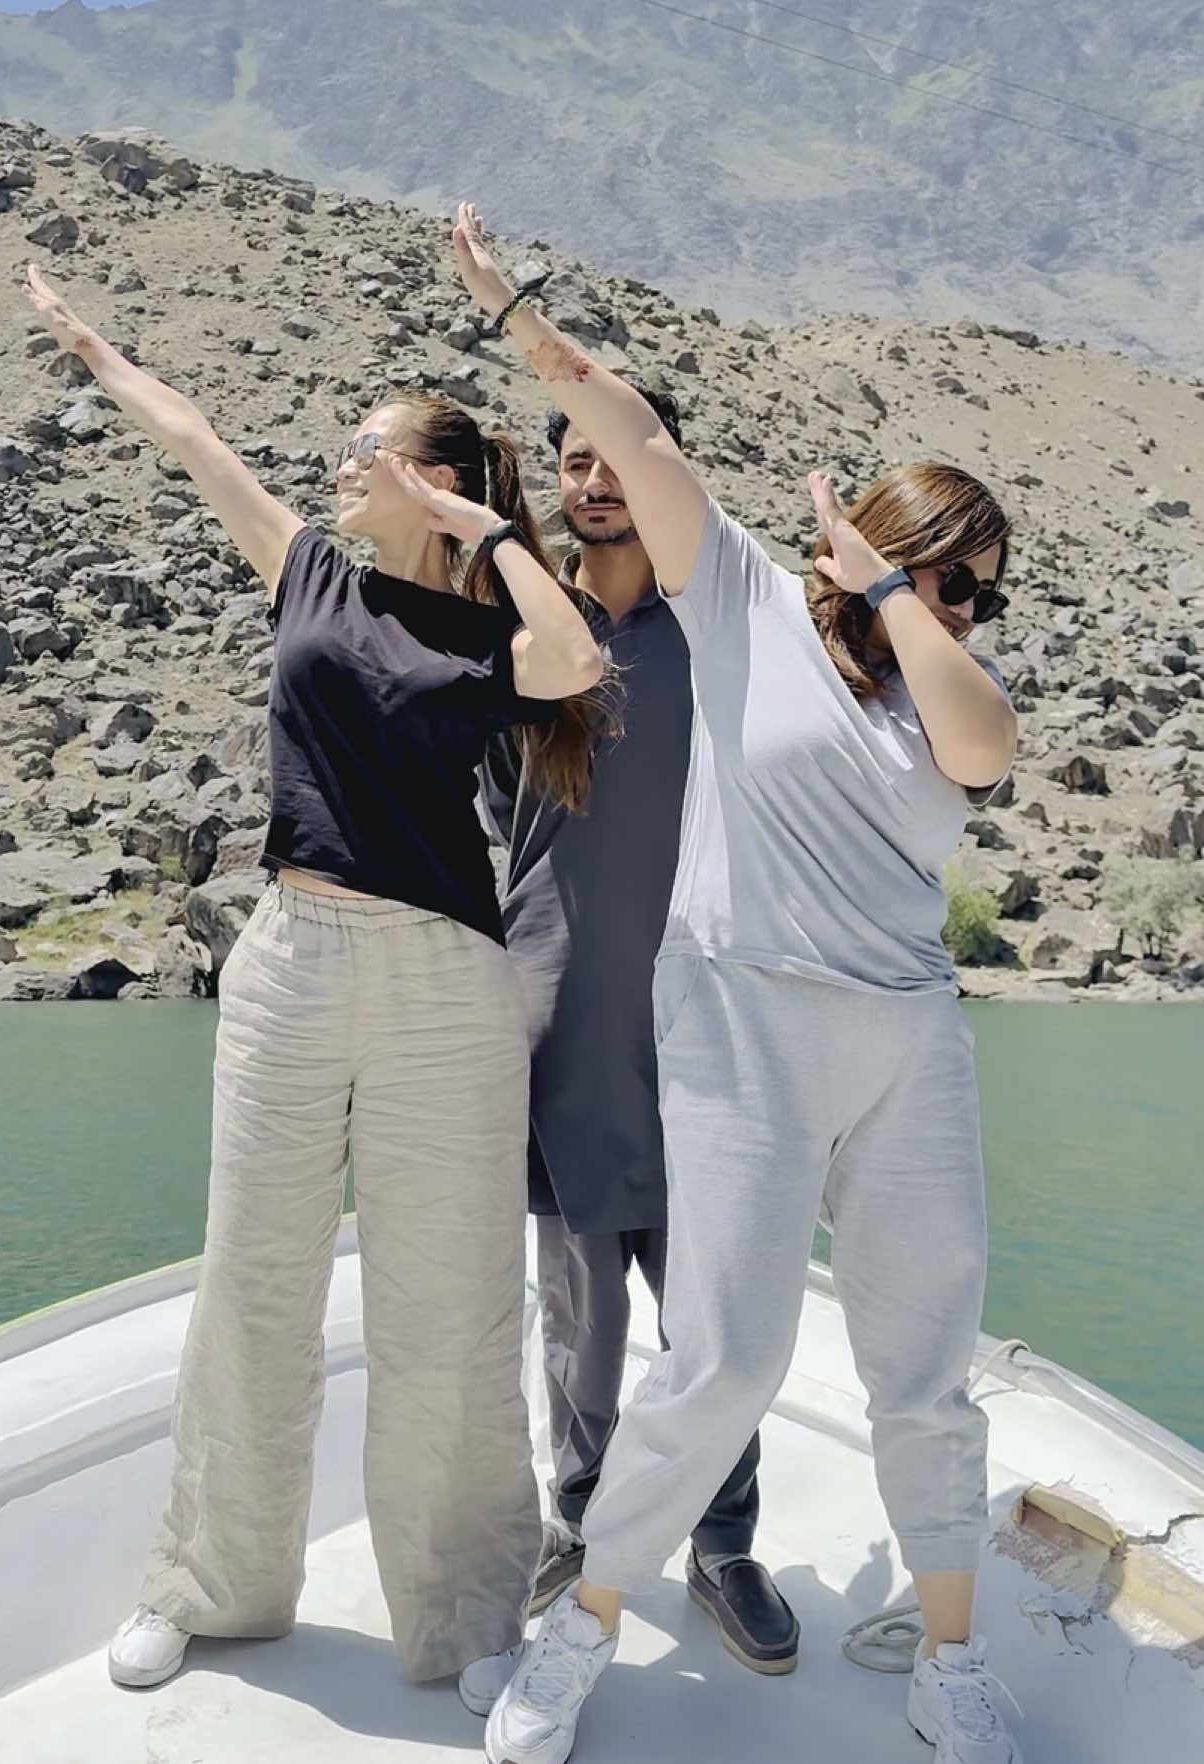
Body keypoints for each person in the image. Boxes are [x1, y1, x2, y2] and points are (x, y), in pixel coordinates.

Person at [449, 208, 1024, 1764]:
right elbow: (626, 428)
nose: (965, 611)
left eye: (981, 593)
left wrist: (908, 608)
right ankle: (581, 1637)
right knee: (722, 1359)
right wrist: (516, 310)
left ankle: (948, 1666)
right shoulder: (746, 601)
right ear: (865, 547)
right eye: (942, 578)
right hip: (743, 1022)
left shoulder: (938, 694)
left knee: (924, 1368)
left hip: (904, 1040)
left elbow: (983, 754)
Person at [20, 264, 604, 1711]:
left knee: (448, 1308)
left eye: (362, 450)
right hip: (289, 962)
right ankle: (207, 1587)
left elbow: (572, 655)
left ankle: (468, 1618)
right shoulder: (307, 568)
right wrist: (96, 344)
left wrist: (489, 533)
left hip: (444, 985)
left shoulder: (485, 633)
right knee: (254, 1286)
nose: (335, 467)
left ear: (428, 477)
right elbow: (194, 436)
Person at [479, 380, 798, 1673]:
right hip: (556, 1017)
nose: (595, 478)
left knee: (708, 1299)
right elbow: (498, 824)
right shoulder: (528, 638)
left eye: (619, 456)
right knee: (578, 1306)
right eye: (574, 457)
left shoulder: (714, 627)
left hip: (698, 1022)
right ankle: (581, 1521)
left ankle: (722, 1541)